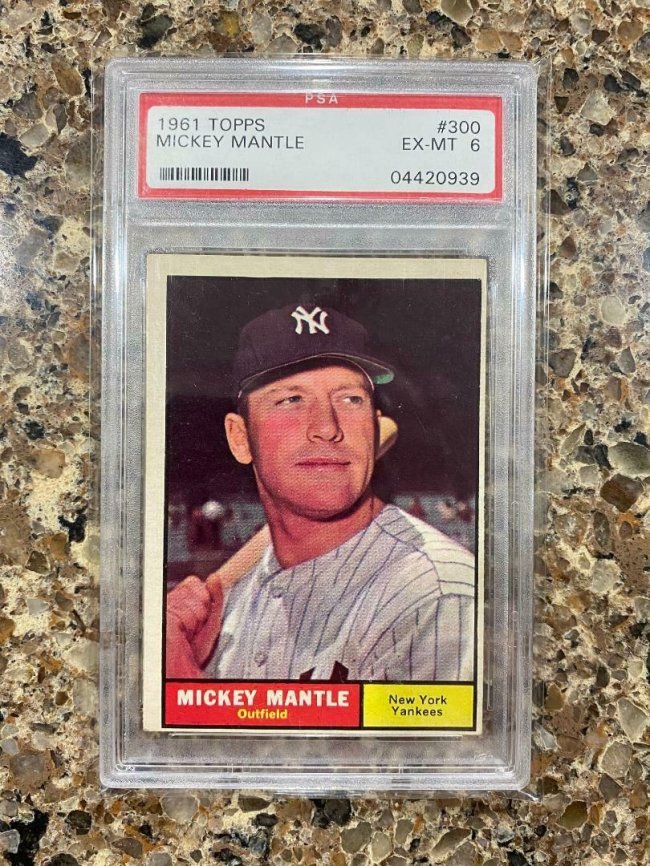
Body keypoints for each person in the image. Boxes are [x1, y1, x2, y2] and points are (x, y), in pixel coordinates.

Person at [166, 303, 476, 682]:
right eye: (291, 400)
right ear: (240, 438)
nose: (327, 428)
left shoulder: (435, 595)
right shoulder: (226, 608)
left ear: (374, 428)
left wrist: (183, 687)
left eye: (350, 399)